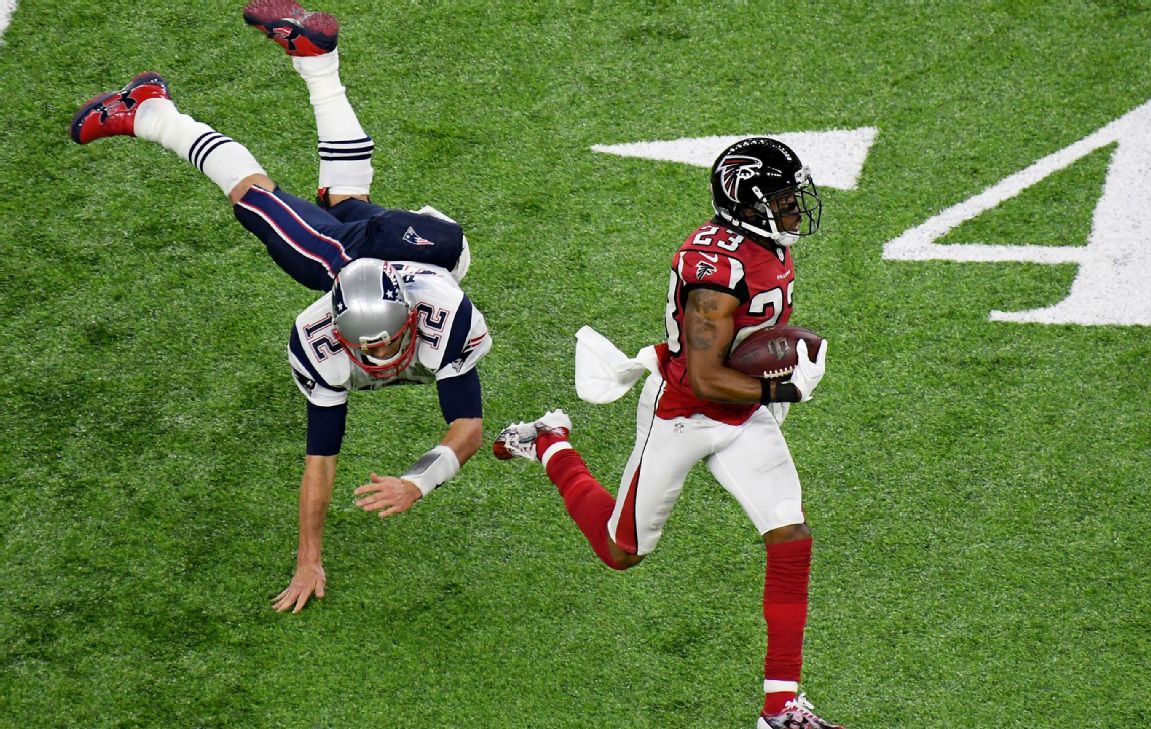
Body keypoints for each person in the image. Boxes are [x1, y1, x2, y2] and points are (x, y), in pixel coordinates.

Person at [70, 1, 490, 614]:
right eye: (364, 345)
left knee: (320, 213)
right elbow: (321, 460)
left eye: (381, 342)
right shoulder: (320, 330)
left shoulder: (443, 318)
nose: (375, 355)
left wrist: (417, 482)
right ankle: (154, 112)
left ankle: (223, 92)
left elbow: (469, 429)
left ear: (409, 317)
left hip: (430, 250)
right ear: (337, 324)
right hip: (417, 251)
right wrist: (307, 557)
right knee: (267, 204)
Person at [494, 137, 842, 728]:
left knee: (791, 537)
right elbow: (706, 379)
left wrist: (772, 378)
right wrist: (782, 389)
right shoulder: (716, 272)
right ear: (746, 205)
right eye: (781, 198)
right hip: (683, 414)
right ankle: (551, 441)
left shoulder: (762, 246)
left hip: (742, 417)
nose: (792, 208)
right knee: (620, 552)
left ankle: (780, 709)